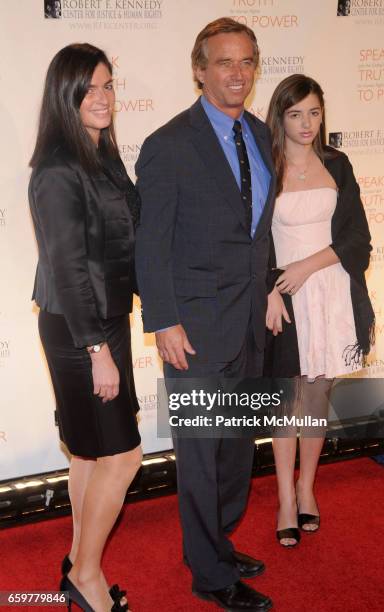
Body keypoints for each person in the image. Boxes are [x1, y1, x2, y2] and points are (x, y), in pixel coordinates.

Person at [135, 17, 274, 612]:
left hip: (250, 324)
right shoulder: (169, 144)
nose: (237, 73)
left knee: (238, 447)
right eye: (224, 62)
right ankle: (210, 574)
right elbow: (150, 244)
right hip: (192, 327)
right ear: (199, 70)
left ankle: (217, 540)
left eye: (246, 62)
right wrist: (163, 319)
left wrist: (270, 290)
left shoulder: (264, 135)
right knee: (199, 451)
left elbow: (258, 236)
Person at [29, 43, 142, 611]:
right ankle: (86, 575)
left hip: (106, 321)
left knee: (90, 456)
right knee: (122, 456)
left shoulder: (104, 155)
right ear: (64, 97)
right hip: (81, 331)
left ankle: (78, 561)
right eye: (88, 89)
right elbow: (68, 269)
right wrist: (97, 348)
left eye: (107, 85)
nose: (102, 98)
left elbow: (126, 240)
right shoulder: (56, 169)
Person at [264, 74, 374, 547]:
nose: (306, 123)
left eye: (314, 112)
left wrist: (308, 265)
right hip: (283, 298)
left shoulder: (338, 164)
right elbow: (251, 242)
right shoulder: (264, 168)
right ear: (280, 117)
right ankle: (284, 497)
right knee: (285, 402)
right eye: (295, 114)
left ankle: (307, 487)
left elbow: (357, 240)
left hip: (332, 295)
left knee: (315, 399)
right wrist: (269, 289)